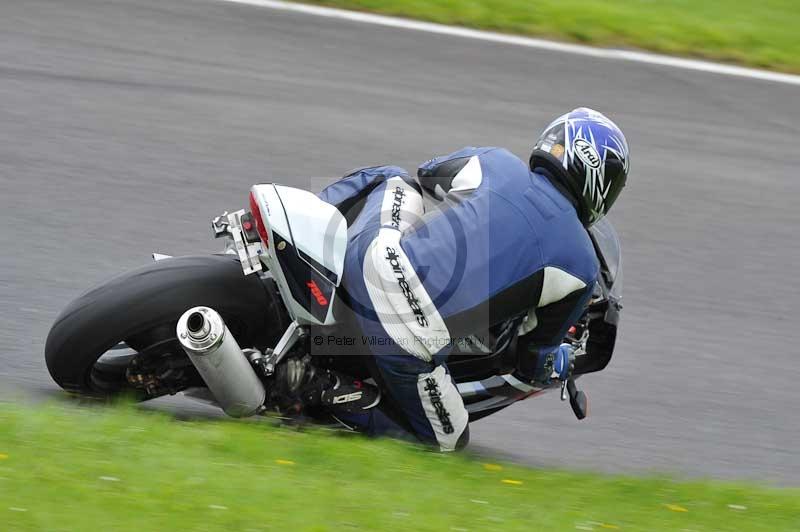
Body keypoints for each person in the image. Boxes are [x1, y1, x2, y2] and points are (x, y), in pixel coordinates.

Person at [276, 108, 630, 450]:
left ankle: (301, 232)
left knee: (394, 178)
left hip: (374, 258)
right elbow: (533, 357)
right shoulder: (582, 265)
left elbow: (429, 173)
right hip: (407, 332)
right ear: (602, 185)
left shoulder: (497, 161)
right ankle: (317, 387)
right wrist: (564, 360)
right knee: (447, 439)